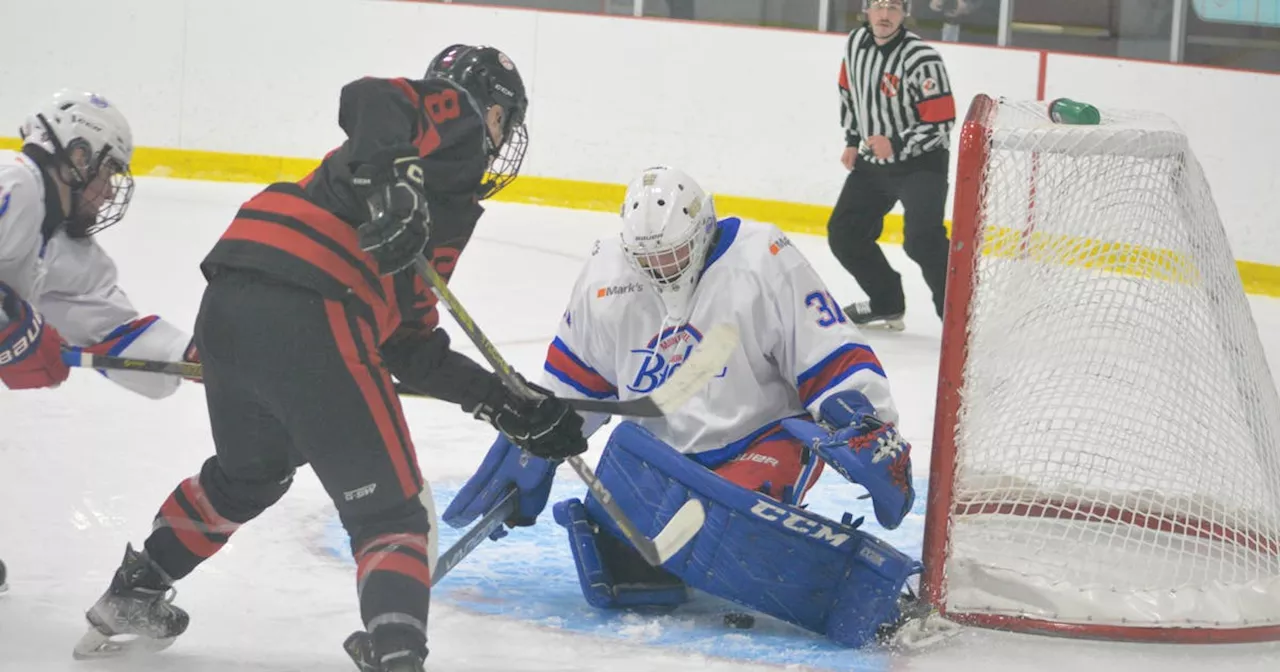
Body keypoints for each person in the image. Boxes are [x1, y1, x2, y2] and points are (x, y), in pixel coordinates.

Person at [75, 45, 588, 672]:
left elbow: (409, 343)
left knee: (251, 475)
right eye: (505, 117)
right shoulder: (449, 128)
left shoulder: (443, 208)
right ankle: (399, 657)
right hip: (314, 302)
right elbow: (375, 97)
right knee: (392, 514)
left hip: (237, 297)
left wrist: (505, 403)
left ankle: (135, 592)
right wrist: (394, 186)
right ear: (490, 110)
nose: (502, 135)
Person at [445, 166, 923, 647]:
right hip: (659, 459)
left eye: (673, 252)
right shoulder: (605, 276)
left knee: (730, 536)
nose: (662, 268)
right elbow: (575, 383)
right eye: (648, 258)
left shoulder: (763, 258)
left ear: (704, 230)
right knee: (626, 571)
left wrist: (868, 423)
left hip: (761, 438)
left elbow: (832, 354)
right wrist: (534, 444)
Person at [0, 90, 197, 592]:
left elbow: (110, 329)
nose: (110, 190)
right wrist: (12, 331)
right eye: (109, 172)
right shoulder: (15, 183)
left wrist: (196, 359)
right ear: (79, 156)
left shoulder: (64, 247)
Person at [830, 0, 956, 330]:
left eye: (894, 7)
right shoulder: (856, 43)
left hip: (922, 163)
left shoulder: (922, 58)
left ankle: (958, 322)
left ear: (904, 14)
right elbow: (849, 90)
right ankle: (887, 303)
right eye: (879, 6)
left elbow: (942, 122)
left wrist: (896, 142)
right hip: (875, 162)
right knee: (844, 233)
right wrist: (853, 139)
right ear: (867, 10)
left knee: (922, 240)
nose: (885, 15)